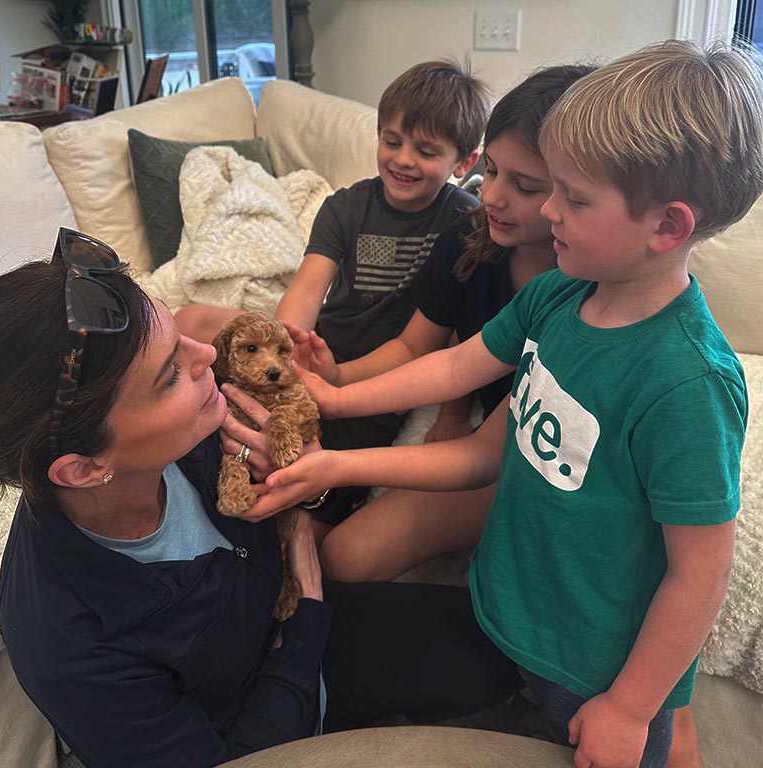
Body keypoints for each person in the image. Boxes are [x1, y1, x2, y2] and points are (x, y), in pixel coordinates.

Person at [248, 40, 763, 768]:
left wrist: (633, 707)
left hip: (596, 672)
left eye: (572, 197)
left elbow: (699, 572)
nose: (546, 208)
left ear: (668, 227)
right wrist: (335, 405)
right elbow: (462, 378)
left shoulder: (686, 385)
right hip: (505, 613)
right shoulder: (561, 294)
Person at [0, 229, 527, 768]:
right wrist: (304, 626)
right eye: (171, 373)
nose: (207, 354)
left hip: (296, 618)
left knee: (502, 654)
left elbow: (301, 489)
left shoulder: (206, 417)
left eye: (179, 338)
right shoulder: (71, 641)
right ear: (85, 468)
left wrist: (308, 493)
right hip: (267, 700)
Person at [277, 64, 594, 583]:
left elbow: (491, 447)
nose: (490, 196)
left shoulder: (584, 291)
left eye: (526, 186)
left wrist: (343, 448)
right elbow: (430, 352)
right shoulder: (468, 239)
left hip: (522, 453)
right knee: (338, 552)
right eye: (490, 172)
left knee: (347, 556)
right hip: (482, 434)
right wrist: (334, 384)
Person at [176, 58, 489, 533]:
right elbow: (306, 291)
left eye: (426, 151)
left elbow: (461, 338)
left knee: (308, 514)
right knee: (190, 318)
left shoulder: (466, 223)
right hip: (320, 349)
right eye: (392, 141)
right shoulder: (344, 207)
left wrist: (450, 413)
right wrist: (288, 349)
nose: (403, 159)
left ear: (464, 162)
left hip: (379, 384)